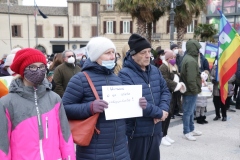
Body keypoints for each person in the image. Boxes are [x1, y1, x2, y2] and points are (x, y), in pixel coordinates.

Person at [62, 37, 130, 160]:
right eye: (107, 53)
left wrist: (136, 104)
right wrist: (90, 107)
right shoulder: (80, 79)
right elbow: (64, 109)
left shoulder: (116, 78)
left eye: (113, 52)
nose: (112, 57)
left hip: (120, 149)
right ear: (96, 56)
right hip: (93, 150)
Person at [0, 48, 75, 160]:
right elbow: (3, 143)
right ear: (23, 70)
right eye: (33, 67)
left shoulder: (54, 99)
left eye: (41, 67)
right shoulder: (7, 102)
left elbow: (65, 134)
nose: (38, 70)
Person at [118, 34, 171, 160]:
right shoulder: (124, 74)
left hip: (156, 130)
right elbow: (136, 102)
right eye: (143, 52)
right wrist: (158, 113)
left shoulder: (154, 70)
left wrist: (163, 110)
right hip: (137, 133)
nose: (148, 55)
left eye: (149, 51)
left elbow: (165, 91)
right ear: (133, 54)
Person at [159, 49, 186, 146]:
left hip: (174, 95)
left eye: (174, 57)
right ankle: (161, 136)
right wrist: (177, 85)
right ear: (167, 58)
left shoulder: (174, 67)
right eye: (171, 57)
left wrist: (180, 84)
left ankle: (165, 134)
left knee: (169, 116)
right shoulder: (163, 67)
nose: (173, 59)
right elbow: (165, 80)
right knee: (165, 116)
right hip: (167, 94)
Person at [180, 39, 202, 141]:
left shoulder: (188, 58)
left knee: (190, 111)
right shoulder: (191, 61)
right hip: (190, 91)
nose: (199, 51)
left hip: (189, 90)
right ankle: (187, 131)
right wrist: (195, 90)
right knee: (188, 112)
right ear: (194, 49)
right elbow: (191, 79)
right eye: (197, 48)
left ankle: (191, 129)